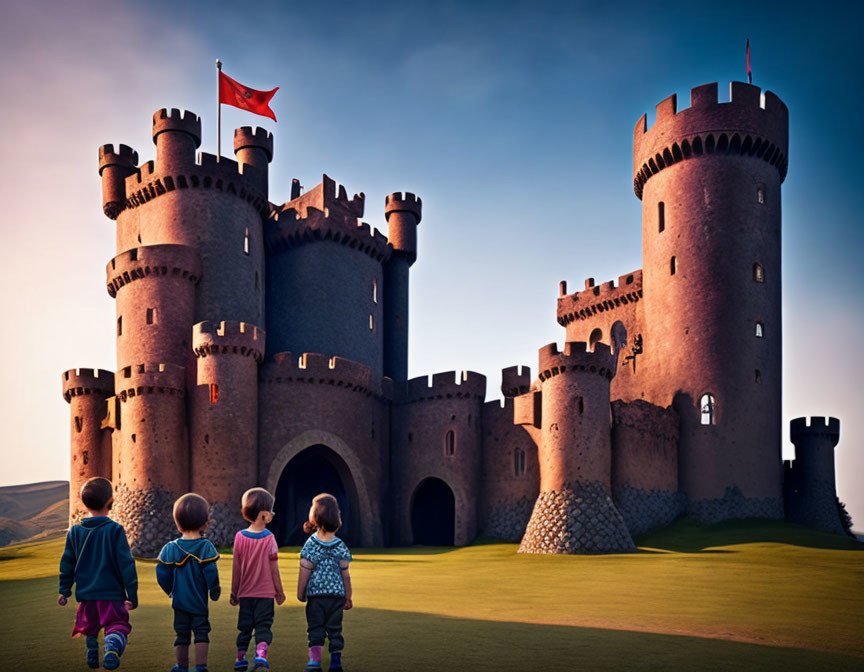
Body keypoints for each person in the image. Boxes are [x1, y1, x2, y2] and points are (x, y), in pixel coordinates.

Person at [58, 477, 137, 670]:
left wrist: (64, 590)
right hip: (111, 595)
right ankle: (111, 648)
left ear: (84, 503)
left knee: (90, 627)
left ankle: (92, 653)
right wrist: (131, 595)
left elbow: (67, 564)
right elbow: (126, 565)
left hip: (86, 596)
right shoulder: (115, 530)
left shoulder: (74, 532)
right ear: (111, 501)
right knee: (117, 625)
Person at [156, 493, 221, 672]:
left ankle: (182, 667)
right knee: (201, 633)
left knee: (181, 635)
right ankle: (201, 667)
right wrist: (214, 589)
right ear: (204, 522)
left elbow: (161, 572)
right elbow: (211, 572)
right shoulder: (206, 547)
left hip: (179, 603)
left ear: (177, 522)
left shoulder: (170, 548)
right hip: (200, 603)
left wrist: (170, 590)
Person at [230, 487, 285, 671]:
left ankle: (240, 657)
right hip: (265, 594)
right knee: (264, 626)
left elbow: (236, 569)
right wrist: (279, 591)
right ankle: (261, 655)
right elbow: (274, 569)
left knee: (244, 627)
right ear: (264, 514)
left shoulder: (239, 538)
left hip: (245, 593)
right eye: (270, 510)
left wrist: (234, 591)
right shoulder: (269, 539)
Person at [297, 493, 353, 672]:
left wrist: (301, 593)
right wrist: (348, 596)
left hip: (316, 597)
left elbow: (305, 571)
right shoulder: (340, 545)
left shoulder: (310, 545)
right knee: (335, 629)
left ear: (315, 516)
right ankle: (336, 662)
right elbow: (346, 574)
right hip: (337, 596)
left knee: (315, 628)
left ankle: (314, 661)